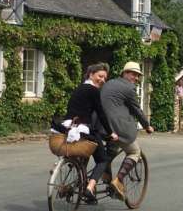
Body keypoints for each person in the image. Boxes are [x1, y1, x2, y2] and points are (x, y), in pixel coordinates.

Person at [51, 62, 118, 201]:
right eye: (100, 76)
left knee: (80, 155)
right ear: (91, 74)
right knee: (103, 159)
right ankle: (89, 187)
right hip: (82, 129)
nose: (102, 80)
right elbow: (101, 114)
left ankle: (71, 171)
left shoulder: (79, 88)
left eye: (105, 78)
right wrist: (111, 132)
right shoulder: (93, 90)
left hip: (69, 126)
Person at [100, 61, 154, 201]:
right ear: (124, 73)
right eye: (134, 74)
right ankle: (117, 180)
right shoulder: (129, 88)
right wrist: (147, 126)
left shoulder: (108, 83)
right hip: (118, 127)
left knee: (109, 153)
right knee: (134, 152)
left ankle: (104, 178)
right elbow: (136, 109)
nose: (136, 78)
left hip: (101, 126)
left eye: (138, 75)